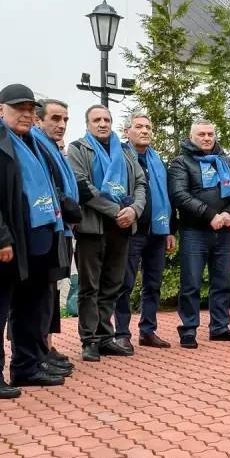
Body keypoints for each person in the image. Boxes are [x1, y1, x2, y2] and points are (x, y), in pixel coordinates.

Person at [0, 84, 80, 398]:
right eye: (19, 108)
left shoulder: (33, 143)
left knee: (29, 307)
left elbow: (46, 185)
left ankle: (26, 365)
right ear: (0, 109)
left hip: (38, 237)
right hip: (5, 242)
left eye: (31, 109)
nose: (27, 115)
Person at [68, 105, 147, 362]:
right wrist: (116, 210)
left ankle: (105, 336)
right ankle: (89, 340)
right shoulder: (79, 149)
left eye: (107, 119)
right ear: (87, 123)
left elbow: (140, 183)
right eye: (96, 120)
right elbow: (82, 187)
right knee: (89, 287)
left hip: (122, 229)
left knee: (112, 285)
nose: (102, 124)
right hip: (92, 228)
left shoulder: (125, 151)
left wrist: (134, 210)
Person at [167, 122, 230, 347]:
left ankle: (220, 327)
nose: (206, 138)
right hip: (194, 231)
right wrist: (210, 215)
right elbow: (179, 195)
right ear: (190, 137)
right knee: (191, 283)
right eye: (201, 134)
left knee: (222, 282)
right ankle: (188, 331)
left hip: (222, 231)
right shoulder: (180, 163)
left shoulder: (225, 161)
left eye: (210, 134)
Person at [115, 113, 177, 349]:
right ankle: (121, 333)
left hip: (157, 230)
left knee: (153, 283)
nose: (144, 131)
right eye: (138, 126)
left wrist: (170, 229)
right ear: (127, 131)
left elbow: (168, 196)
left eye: (148, 127)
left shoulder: (158, 160)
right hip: (130, 231)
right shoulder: (119, 157)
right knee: (125, 283)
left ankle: (148, 330)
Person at [34, 99, 78, 372]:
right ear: (39, 120)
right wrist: (73, 209)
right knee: (40, 293)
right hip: (48, 227)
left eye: (64, 120)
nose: (61, 125)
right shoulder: (38, 147)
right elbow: (48, 189)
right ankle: (36, 350)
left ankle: (46, 345)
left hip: (62, 229)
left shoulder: (53, 149)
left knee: (52, 291)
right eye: (55, 118)